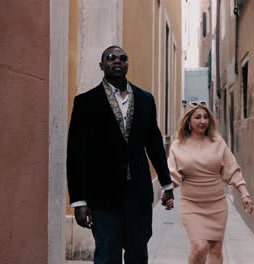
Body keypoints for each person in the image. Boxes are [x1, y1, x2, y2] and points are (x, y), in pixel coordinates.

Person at [66, 45, 174, 264]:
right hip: (103, 196)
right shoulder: (86, 102)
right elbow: (76, 153)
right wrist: (78, 201)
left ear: (127, 64)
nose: (117, 61)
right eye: (110, 58)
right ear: (102, 65)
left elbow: (154, 144)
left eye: (122, 58)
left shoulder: (145, 100)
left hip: (138, 195)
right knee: (107, 254)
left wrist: (167, 185)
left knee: (137, 253)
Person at [167, 101, 254, 264]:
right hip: (191, 204)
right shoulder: (178, 145)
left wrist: (244, 194)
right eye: (197, 117)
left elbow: (232, 169)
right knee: (199, 247)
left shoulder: (217, 142)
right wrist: (167, 192)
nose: (203, 121)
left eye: (206, 117)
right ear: (188, 121)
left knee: (215, 248)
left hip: (217, 205)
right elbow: (172, 174)